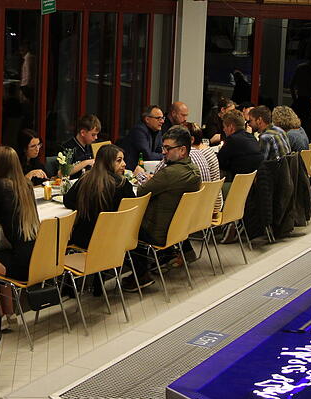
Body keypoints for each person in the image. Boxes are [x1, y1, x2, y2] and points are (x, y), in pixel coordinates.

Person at [123, 126, 200, 291]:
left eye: (167, 148)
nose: (163, 152)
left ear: (182, 150)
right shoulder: (193, 170)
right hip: (177, 230)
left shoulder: (169, 173)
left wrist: (141, 175)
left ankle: (140, 274)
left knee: (119, 227)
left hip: (156, 232)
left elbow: (142, 191)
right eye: (163, 147)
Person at [0, 146, 40, 317]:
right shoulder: (26, 185)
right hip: (37, 260)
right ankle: (9, 314)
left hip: (21, 265)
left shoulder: (0, 186)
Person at [63, 144, 135, 250]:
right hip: (114, 241)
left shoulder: (85, 179)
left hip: (84, 240)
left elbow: (67, 200)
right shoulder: (122, 184)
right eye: (119, 160)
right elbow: (132, 210)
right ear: (107, 162)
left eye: (123, 160)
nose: (124, 164)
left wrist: (85, 206)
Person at [216, 110, 263, 193]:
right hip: (254, 186)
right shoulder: (252, 138)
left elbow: (219, 162)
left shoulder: (232, 140)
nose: (223, 129)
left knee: (214, 190)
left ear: (231, 127)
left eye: (224, 126)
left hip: (238, 186)